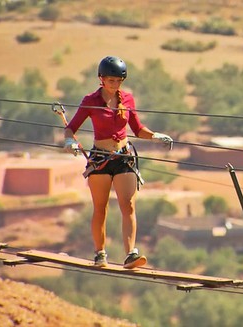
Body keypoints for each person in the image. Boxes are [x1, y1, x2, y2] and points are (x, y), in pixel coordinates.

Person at [63, 56, 174, 269]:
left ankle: (131, 254)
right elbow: (72, 127)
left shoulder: (128, 99)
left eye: (118, 81)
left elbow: (138, 128)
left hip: (124, 157)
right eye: (111, 80)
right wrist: (69, 141)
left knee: (129, 205)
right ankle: (100, 254)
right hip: (100, 160)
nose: (115, 85)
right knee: (100, 208)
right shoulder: (90, 101)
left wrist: (156, 136)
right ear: (101, 79)